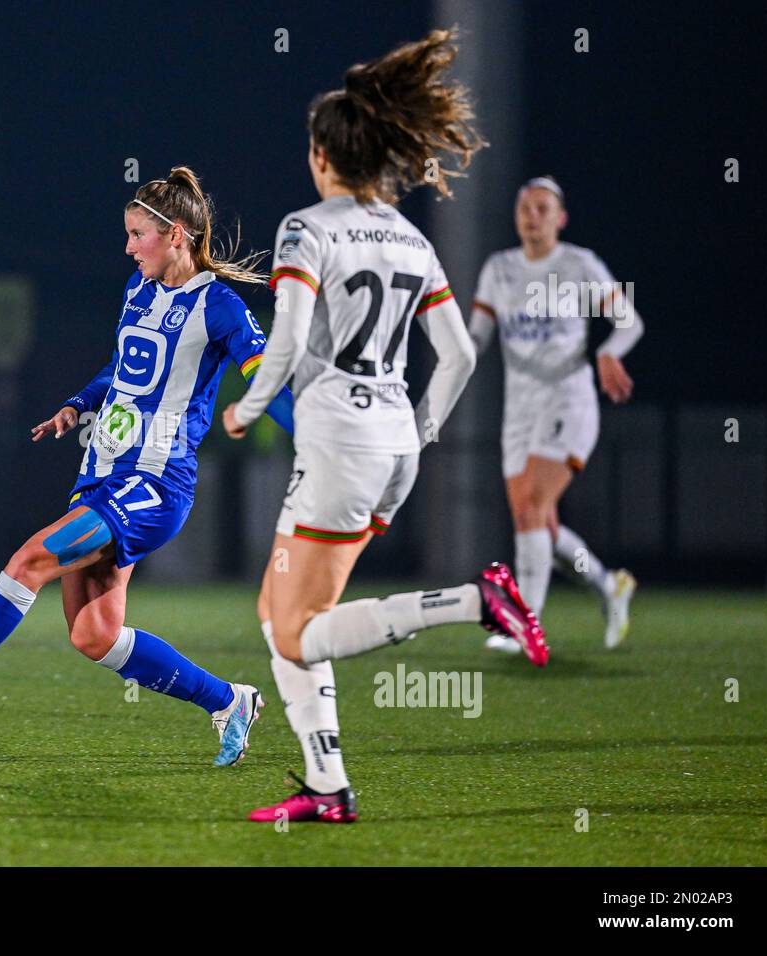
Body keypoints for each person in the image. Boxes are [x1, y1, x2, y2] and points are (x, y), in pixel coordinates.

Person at [222, 30, 546, 823]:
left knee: (296, 636)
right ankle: (326, 787)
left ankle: (477, 601)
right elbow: (462, 355)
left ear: (324, 157)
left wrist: (247, 408)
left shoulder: (308, 227)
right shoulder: (410, 237)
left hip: (338, 448)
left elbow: (290, 339)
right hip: (394, 443)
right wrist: (423, 430)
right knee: (281, 616)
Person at [0, 167, 296, 766]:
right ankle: (229, 700)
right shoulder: (137, 288)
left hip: (154, 484)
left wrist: (313, 435)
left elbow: (269, 382)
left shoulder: (220, 305)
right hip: (101, 473)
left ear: (175, 234)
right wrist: (79, 403)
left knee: (28, 561)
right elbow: (123, 369)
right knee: (93, 635)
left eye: (136, 234)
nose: (127, 247)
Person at [471, 176, 643, 653]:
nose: (533, 215)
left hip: (569, 399)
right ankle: (608, 585)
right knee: (539, 523)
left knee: (531, 508)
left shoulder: (579, 264)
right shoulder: (499, 268)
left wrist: (610, 352)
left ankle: (526, 625)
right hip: (519, 410)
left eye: (543, 208)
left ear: (560, 218)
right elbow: (476, 337)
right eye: (525, 207)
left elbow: (630, 321)